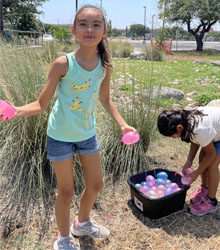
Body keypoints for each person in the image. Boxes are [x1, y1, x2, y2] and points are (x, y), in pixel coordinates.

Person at [0, 5, 136, 250]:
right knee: (65, 192)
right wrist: (17, 110)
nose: (89, 29)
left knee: (96, 185)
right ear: (74, 30)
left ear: (104, 31)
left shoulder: (104, 66)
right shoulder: (63, 64)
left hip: (86, 135)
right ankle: (63, 238)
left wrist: (123, 125)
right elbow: (41, 104)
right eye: (83, 24)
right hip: (60, 136)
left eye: (96, 24)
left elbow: (105, 99)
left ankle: (82, 224)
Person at [157, 106, 220, 216]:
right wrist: (189, 161)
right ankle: (205, 189)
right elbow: (195, 139)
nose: (172, 138)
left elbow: (211, 154)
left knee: (212, 165)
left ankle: (211, 201)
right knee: (202, 158)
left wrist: (196, 173)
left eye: (172, 136)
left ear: (179, 127)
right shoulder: (186, 119)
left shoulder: (200, 129)